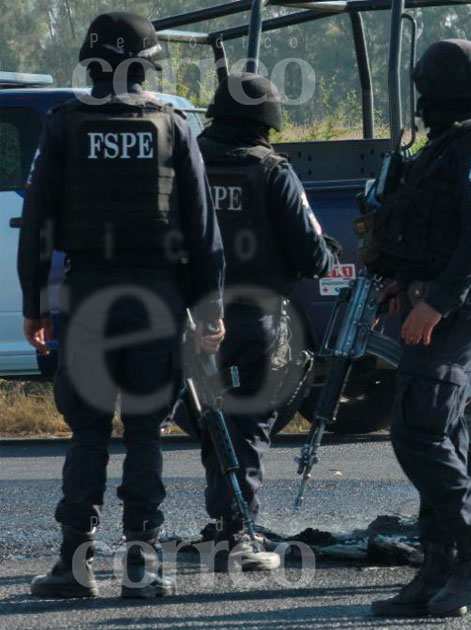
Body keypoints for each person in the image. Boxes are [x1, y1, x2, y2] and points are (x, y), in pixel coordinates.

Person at [19, 12, 225, 599]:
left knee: (87, 432)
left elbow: (37, 224)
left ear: (91, 61)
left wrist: (34, 303)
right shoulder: (175, 125)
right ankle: (141, 565)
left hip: (86, 297)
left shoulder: (63, 125)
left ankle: (74, 564)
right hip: (156, 299)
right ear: (147, 64)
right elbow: (203, 228)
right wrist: (209, 309)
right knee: (144, 433)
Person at [369, 39, 471, 618]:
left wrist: (434, 302)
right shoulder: (448, 146)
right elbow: (436, 228)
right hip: (438, 301)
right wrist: (402, 281)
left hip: (459, 309)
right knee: (442, 434)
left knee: (419, 430)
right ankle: (438, 571)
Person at [197, 72, 337, 572]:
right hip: (256, 318)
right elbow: (313, 252)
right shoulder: (271, 170)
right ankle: (239, 530)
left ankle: (220, 522)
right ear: (266, 120)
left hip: (191, 318)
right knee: (249, 419)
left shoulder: (183, 163)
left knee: (211, 419)